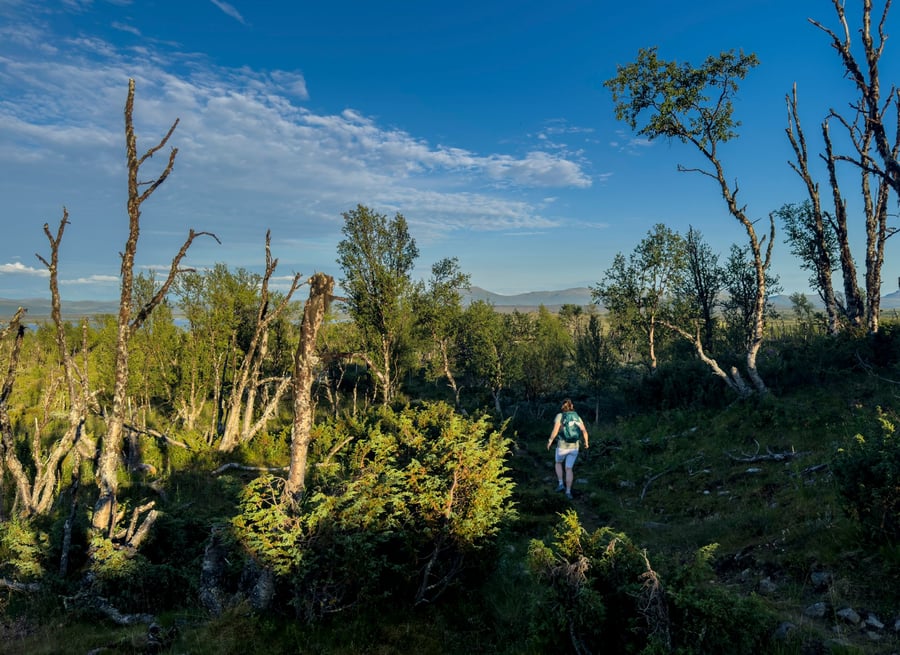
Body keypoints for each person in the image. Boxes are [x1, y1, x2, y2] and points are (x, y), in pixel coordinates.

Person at [546, 398, 589, 499]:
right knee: (569, 469)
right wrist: (586, 442)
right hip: (574, 447)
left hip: (562, 446)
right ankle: (568, 492)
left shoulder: (560, 416)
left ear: (562, 406)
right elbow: (584, 431)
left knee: (558, 463)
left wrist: (550, 441)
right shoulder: (577, 417)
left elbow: (555, 431)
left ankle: (561, 484)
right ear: (572, 406)